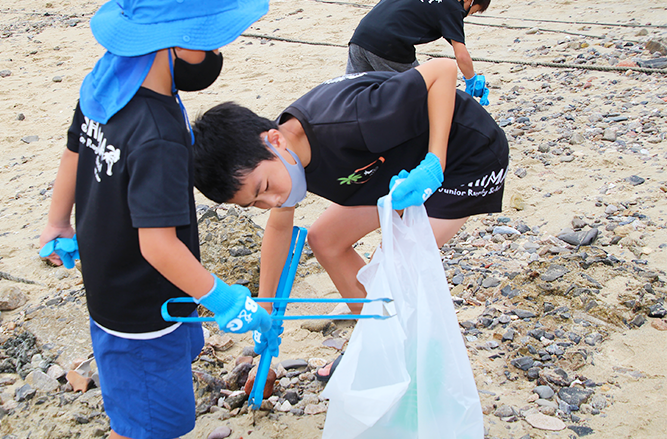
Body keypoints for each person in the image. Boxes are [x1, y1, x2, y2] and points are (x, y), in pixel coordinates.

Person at [38, 0, 272, 439]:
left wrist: (58, 223)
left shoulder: (106, 79)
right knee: (141, 422)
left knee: (148, 395)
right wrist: (225, 299)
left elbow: (74, 153)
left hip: (109, 273)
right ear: (173, 41)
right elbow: (158, 245)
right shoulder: (160, 134)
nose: (215, 53)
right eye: (209, 40)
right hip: (145, 300)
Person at [192, 58, 508, 318]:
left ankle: (396, 345)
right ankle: (377, 335)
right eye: (255, 204)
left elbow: (442, 71)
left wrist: (435, 161)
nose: (273, 200)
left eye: (265, 188)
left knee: (392, 262)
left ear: (273, 140)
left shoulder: (352, 121)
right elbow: (278, 230)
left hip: (468, 157)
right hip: (396, 167)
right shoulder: (280, 156)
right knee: (325, 240)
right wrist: (266, 306)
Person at [347, 0, 494, 104]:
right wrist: (472, 80)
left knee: (354, 93)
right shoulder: (451, 6)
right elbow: (461, 54)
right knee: (423, 93)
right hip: (390, 47)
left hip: (360, 38)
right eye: (471, 11)